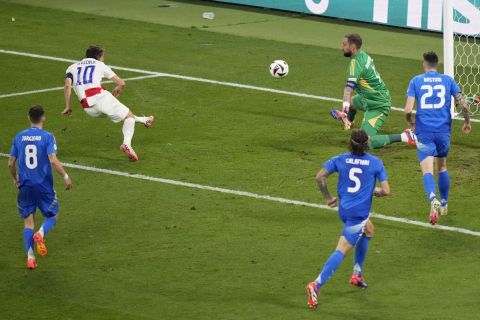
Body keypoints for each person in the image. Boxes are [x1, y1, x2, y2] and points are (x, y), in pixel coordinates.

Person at [306, 129, 390, 310]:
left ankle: (357, 275)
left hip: (345, 209)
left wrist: (328, 198)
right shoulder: (376, 162)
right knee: (342, 249)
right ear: (367, 143)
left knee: (369, 230)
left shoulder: (340, 159)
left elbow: (319, 177)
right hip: (358, 214)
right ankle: (316, 285)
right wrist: (376, 192)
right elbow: (386, 190)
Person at [403, 51, 471, 225]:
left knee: (427, 171)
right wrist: (467, 122)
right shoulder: (448, 80)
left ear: (424, 65)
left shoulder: (416, 80)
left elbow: (407, 110)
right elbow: (463, 104)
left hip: (424, 132)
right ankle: (444, 203)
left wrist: (410, 122)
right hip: (443, 132)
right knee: (442, 168)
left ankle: (433, 198)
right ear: (437, 65)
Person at [8, 105, 73, 269]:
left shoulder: (19, 137)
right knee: (54, 215)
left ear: (28, 118)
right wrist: (65, 177)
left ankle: (30, 258)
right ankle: (41, 233)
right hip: (43, 186)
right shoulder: (48, 137)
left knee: (28, 223)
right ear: (43, 117)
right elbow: (53, 160)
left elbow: (10, 163)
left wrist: (15, 178)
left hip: (25, 186)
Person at [62, 45, 154, 161]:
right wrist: (120, 87)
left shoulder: (71, 67)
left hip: (88, 108)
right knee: (128, 117)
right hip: (100, 98)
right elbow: (121, 82)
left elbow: (67, 86)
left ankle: (145, 120)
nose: (103, 59)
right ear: (98, 57)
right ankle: (127, 145)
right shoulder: (100, 65)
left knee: (123, 114)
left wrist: (68, 106)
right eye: (102, 56)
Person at [330, 33, 416, 148]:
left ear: (352, 47)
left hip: (378, 105)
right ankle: (349, 121)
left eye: (344, 45)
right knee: (351, 103)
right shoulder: (362, 55)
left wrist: (343, 112)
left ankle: (405, 136)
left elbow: (347, 91)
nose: (342, 47)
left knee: (364, 143)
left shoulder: (355, 65)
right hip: (370, 97)